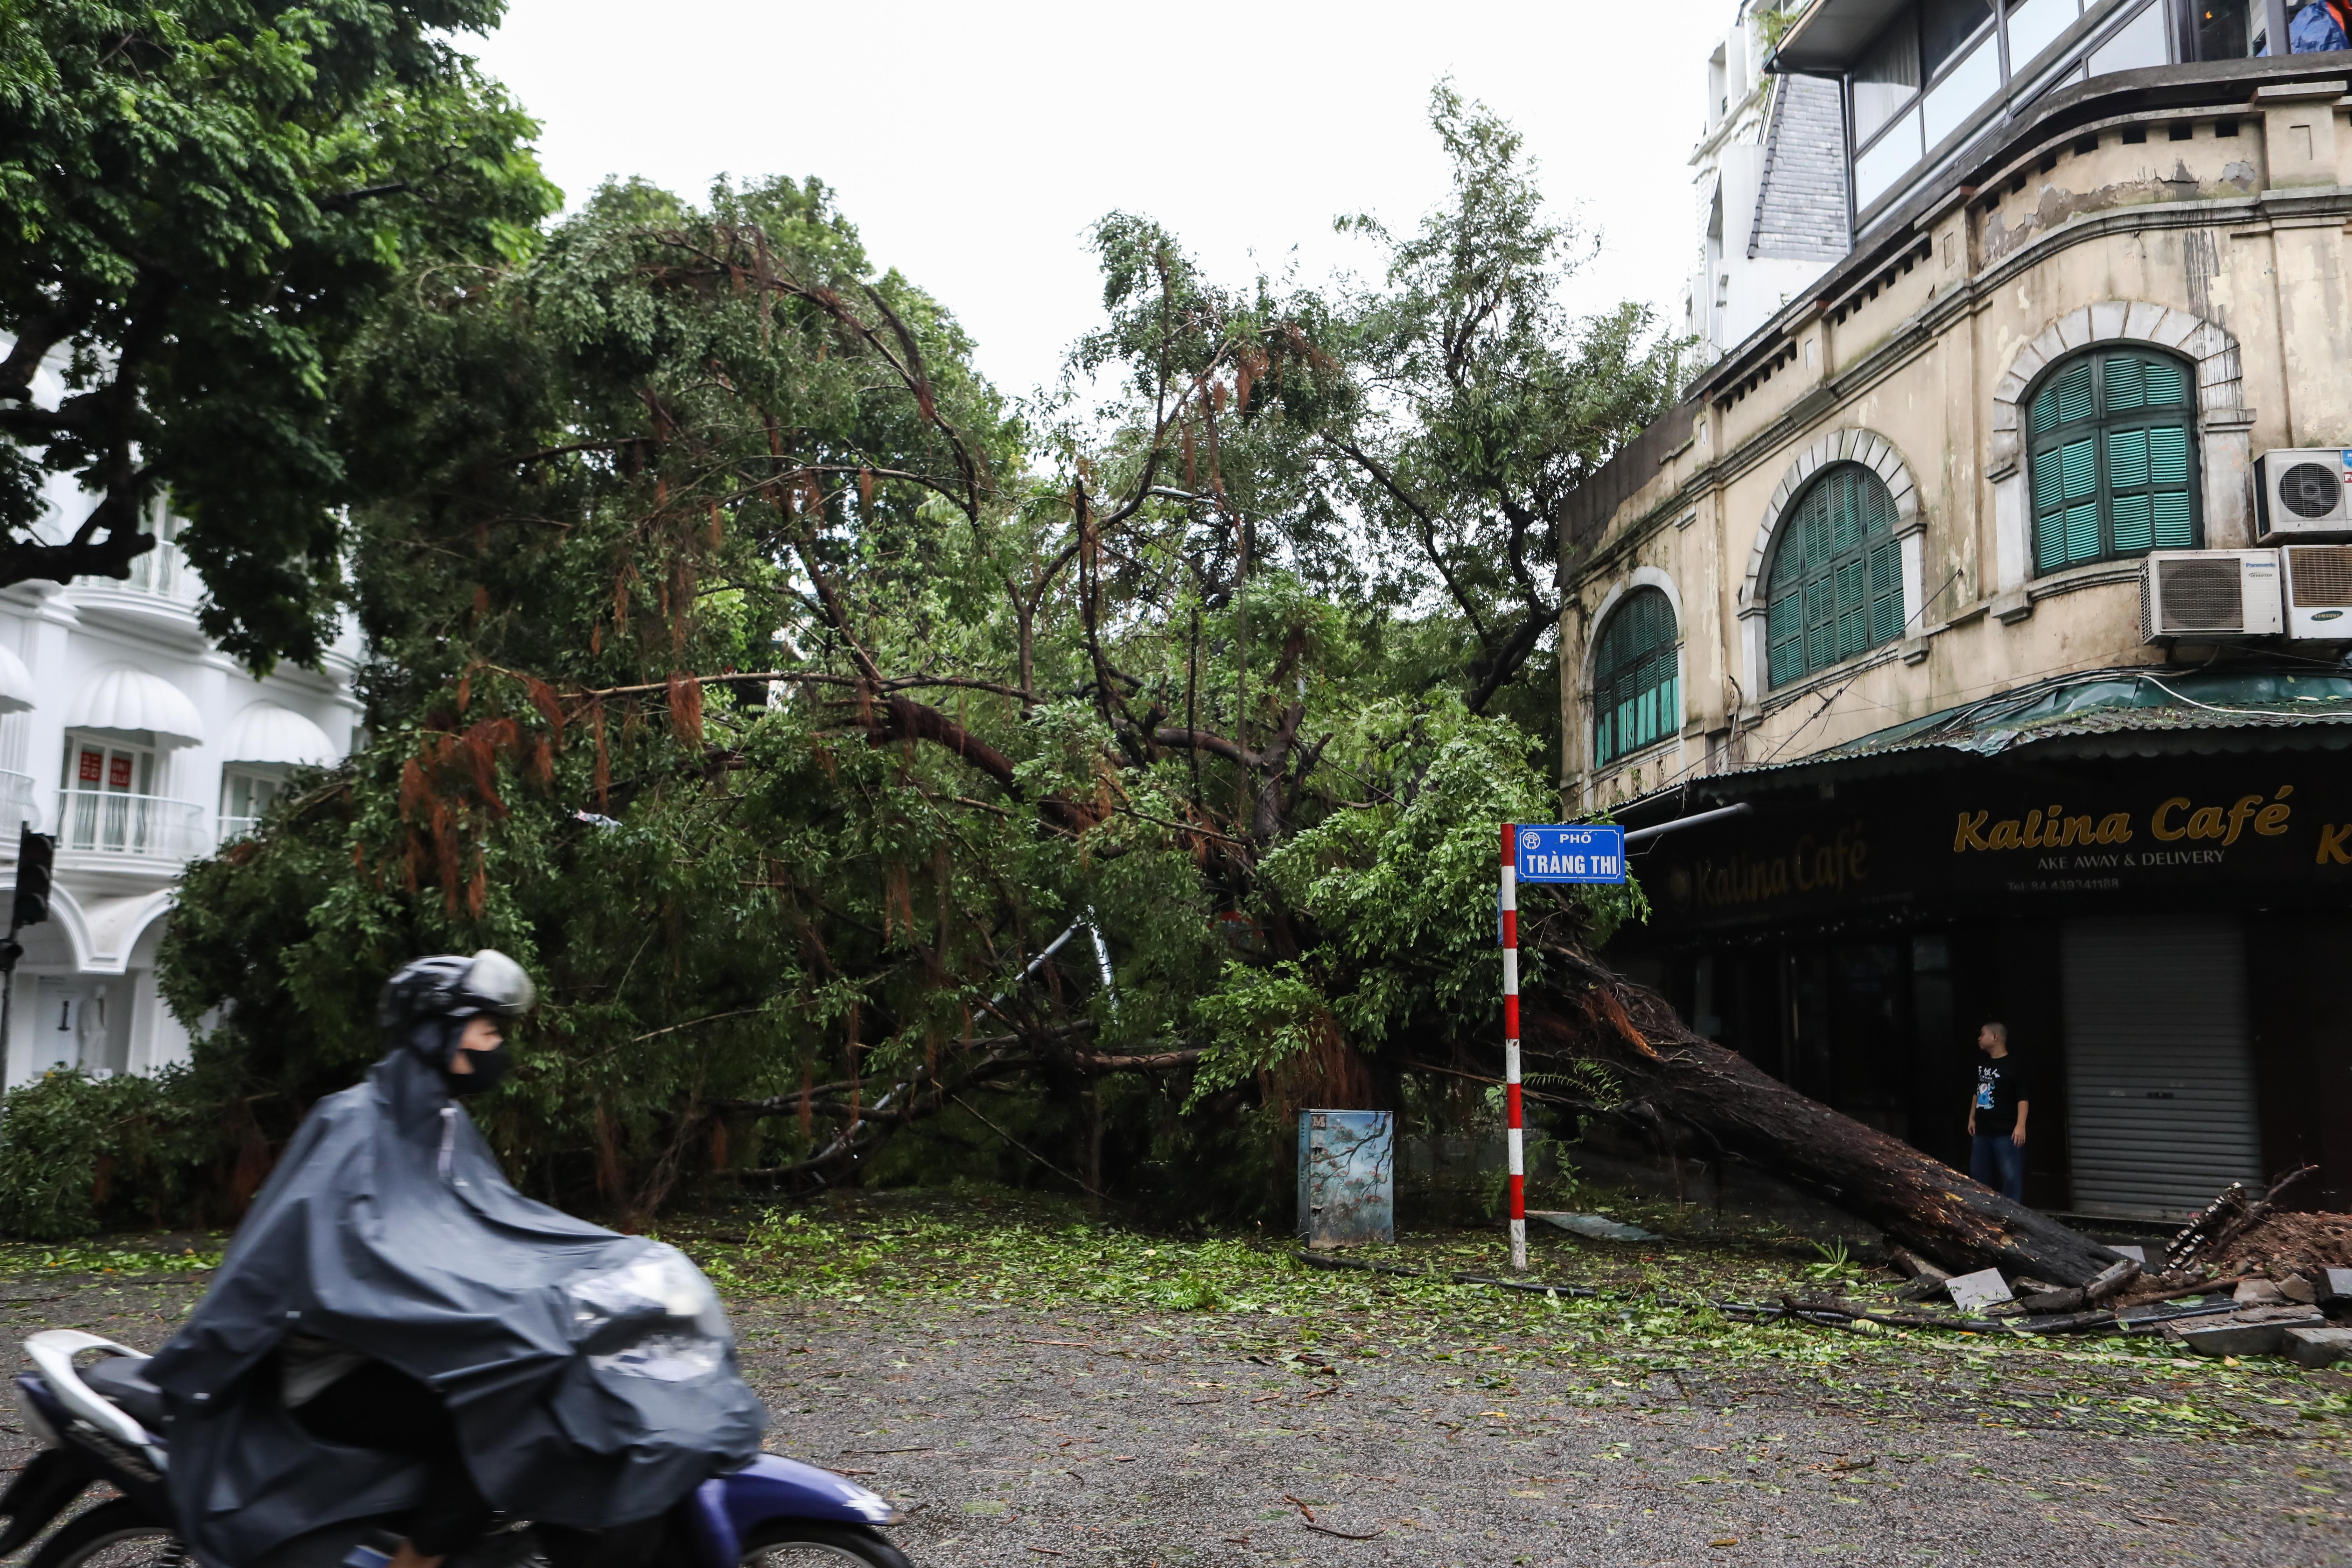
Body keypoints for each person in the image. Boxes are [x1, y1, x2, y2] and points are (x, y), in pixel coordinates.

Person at [147, 951, 766, 1568]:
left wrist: (609, 1267)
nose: (500, 1046)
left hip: (406, 1350)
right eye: (489, 1030)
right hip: (335, 1369)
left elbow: (496, 1227)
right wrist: (483, 1309)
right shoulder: (354, 1123)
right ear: (435, 1031)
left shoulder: (445, 1123)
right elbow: (351, 1262)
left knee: (564, 1382)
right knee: (505, 1419)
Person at [1967, 1021, 2029, 1202]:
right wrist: (1972, 1118)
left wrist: (2021, 1125)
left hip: (2006, 1132)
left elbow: (2023, 1098)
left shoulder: (2014, 1065)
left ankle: (2011, 1215)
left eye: (1982, 1034)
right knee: (1978, 1174)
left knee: (2011, 1176)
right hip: (1983, 1131)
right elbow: (1976, 1092)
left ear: (1995, 1037)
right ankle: (1982, 1213)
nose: (1979, 1038)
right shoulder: (1982, 1064)